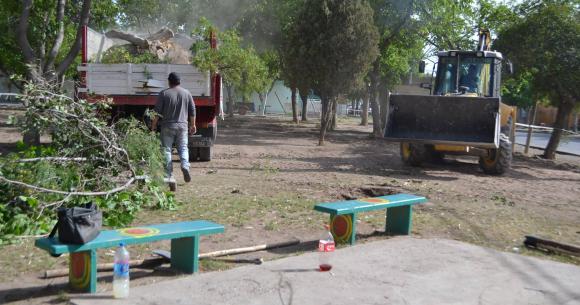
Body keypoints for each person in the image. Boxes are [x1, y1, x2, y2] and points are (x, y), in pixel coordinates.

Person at [151, 72, 196, 182]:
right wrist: (193, 125)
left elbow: (157, 112)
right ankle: (185, 165)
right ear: (179, 81)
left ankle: (169, 175)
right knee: (183, 148)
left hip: (167, 126)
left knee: (166, 150)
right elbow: (192, 111)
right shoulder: (187, 93)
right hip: (182, 126)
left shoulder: (164, 94)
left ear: (169, 81)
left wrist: (153, 126)